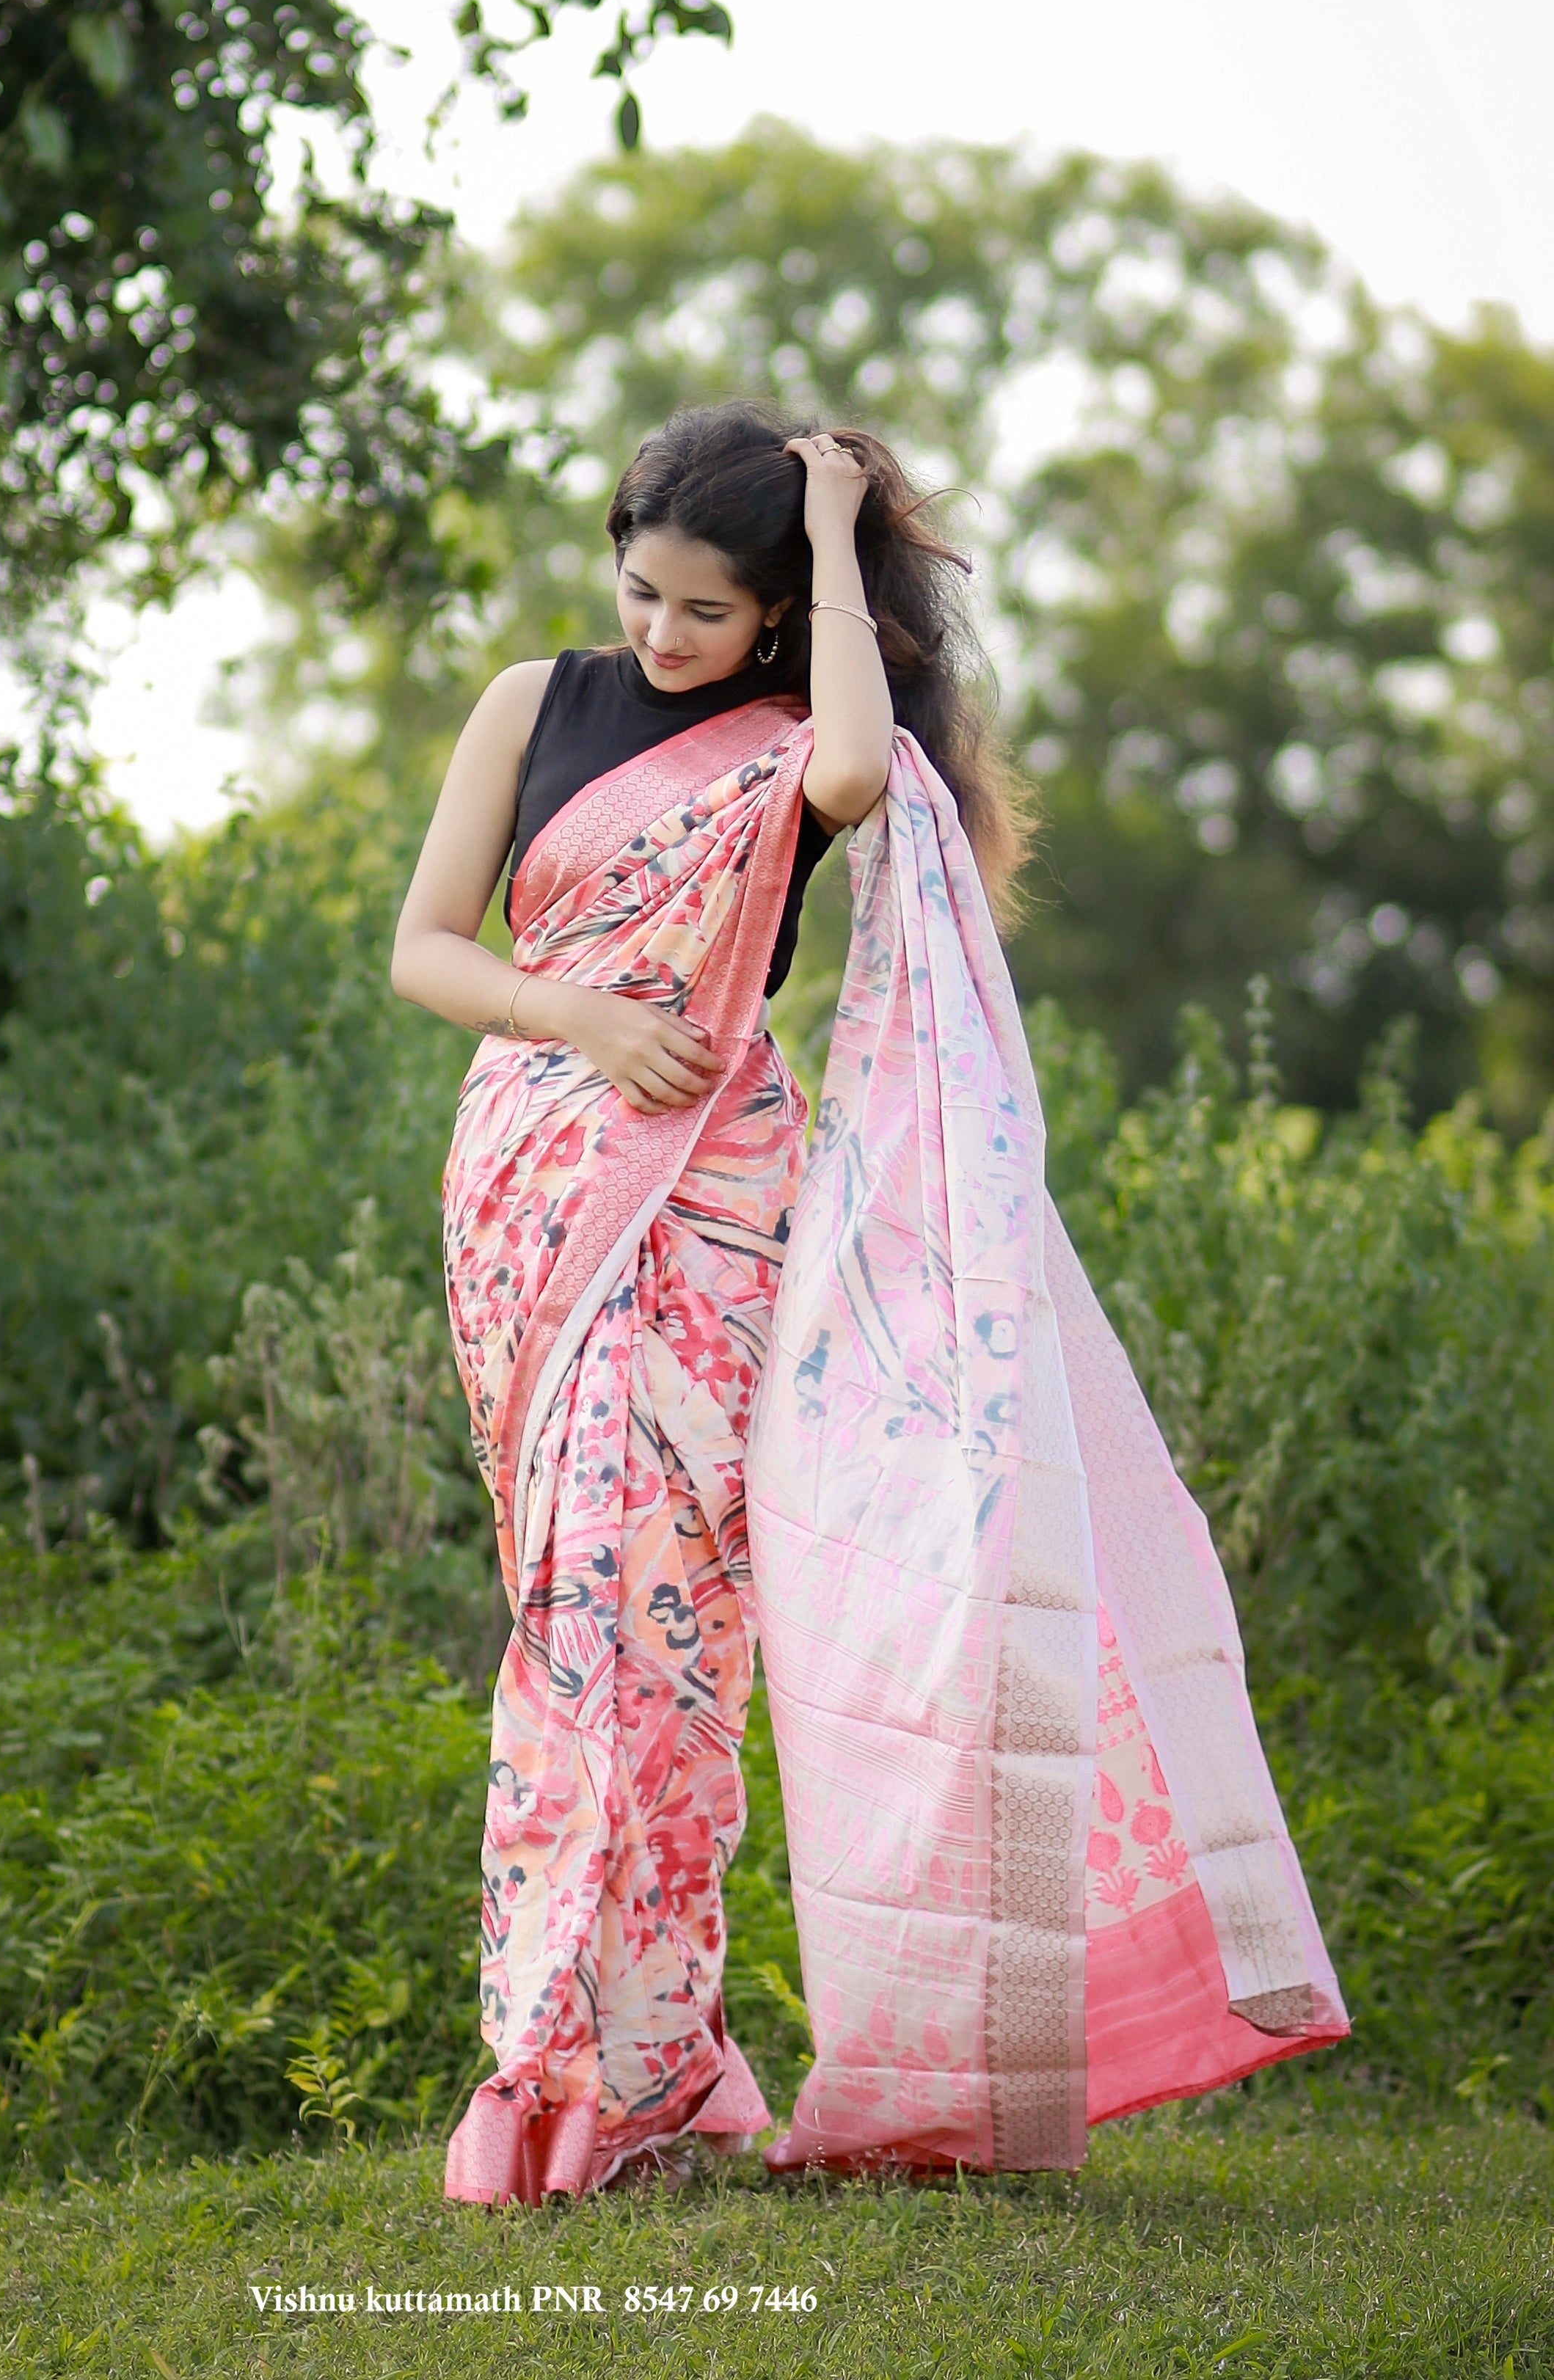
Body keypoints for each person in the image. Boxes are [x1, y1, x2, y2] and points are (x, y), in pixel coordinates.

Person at [392, 399, 1345, 2205]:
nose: (658, 632)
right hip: (538, 1173)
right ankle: (574, 2066)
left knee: (671, 1627)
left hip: (725, 1194)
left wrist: (833, 544)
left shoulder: (794, 737)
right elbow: (427, 947)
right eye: (640, 588)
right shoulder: (532, 703)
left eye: (703, 608)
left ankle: (644, 2076)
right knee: (571, 1607)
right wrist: (581, 1015)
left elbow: (842, 771)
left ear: (769, 617)